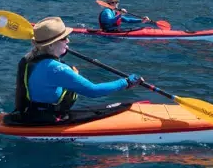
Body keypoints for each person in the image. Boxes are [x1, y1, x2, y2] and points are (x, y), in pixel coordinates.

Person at [14, 16, 143, 123]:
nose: (68, 40)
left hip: (31, 113)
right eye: (64, 38)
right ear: (52, 45)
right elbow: (93, 91)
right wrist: (126, 82)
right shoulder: (57, 69)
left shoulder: (29, 59)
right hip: (51, 118)